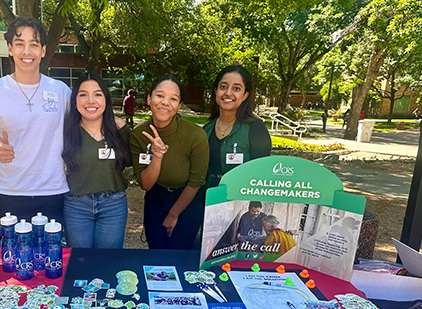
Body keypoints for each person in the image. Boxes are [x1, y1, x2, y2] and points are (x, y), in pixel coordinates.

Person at [0, 17, 71, 244]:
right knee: (8, 265)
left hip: (52, 192)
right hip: (8, 193)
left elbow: (88, 118)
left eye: (34, 44)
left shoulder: (61, 91)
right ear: (10, 49)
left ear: (43, 50)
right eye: (20, 43)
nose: (27, 51)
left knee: (51, 262)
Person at [130, 75, 209, 250]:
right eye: (159, 96)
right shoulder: (138, 135)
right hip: (156, 198)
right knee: (156, 252)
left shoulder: (195, 135)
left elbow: (197, 181)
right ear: (149, 98)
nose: (165, 102)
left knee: (181, 253)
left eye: (173, 98)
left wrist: (174, 214)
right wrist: (157, 156)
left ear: (179, 105)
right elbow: (146, 184)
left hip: (188, 199)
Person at [62, 72, 131, 248]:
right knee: (80, 261)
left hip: (113, 205)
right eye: (83, 94)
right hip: (76, 206)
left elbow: (131, 161)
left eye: (98, 94)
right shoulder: (65, 130)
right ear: (75, 101)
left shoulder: (119, 128)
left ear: (106, 100)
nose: (90, 101)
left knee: (107, 262)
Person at [204, 65, 271, 188]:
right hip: (206, 199)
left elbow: (262, 176)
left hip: (238, 202)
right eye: (223, 87)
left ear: (245, 95)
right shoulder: (206, 130)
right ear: (215, 91)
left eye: (236, 88)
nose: (228, 93)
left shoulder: (256, 130)